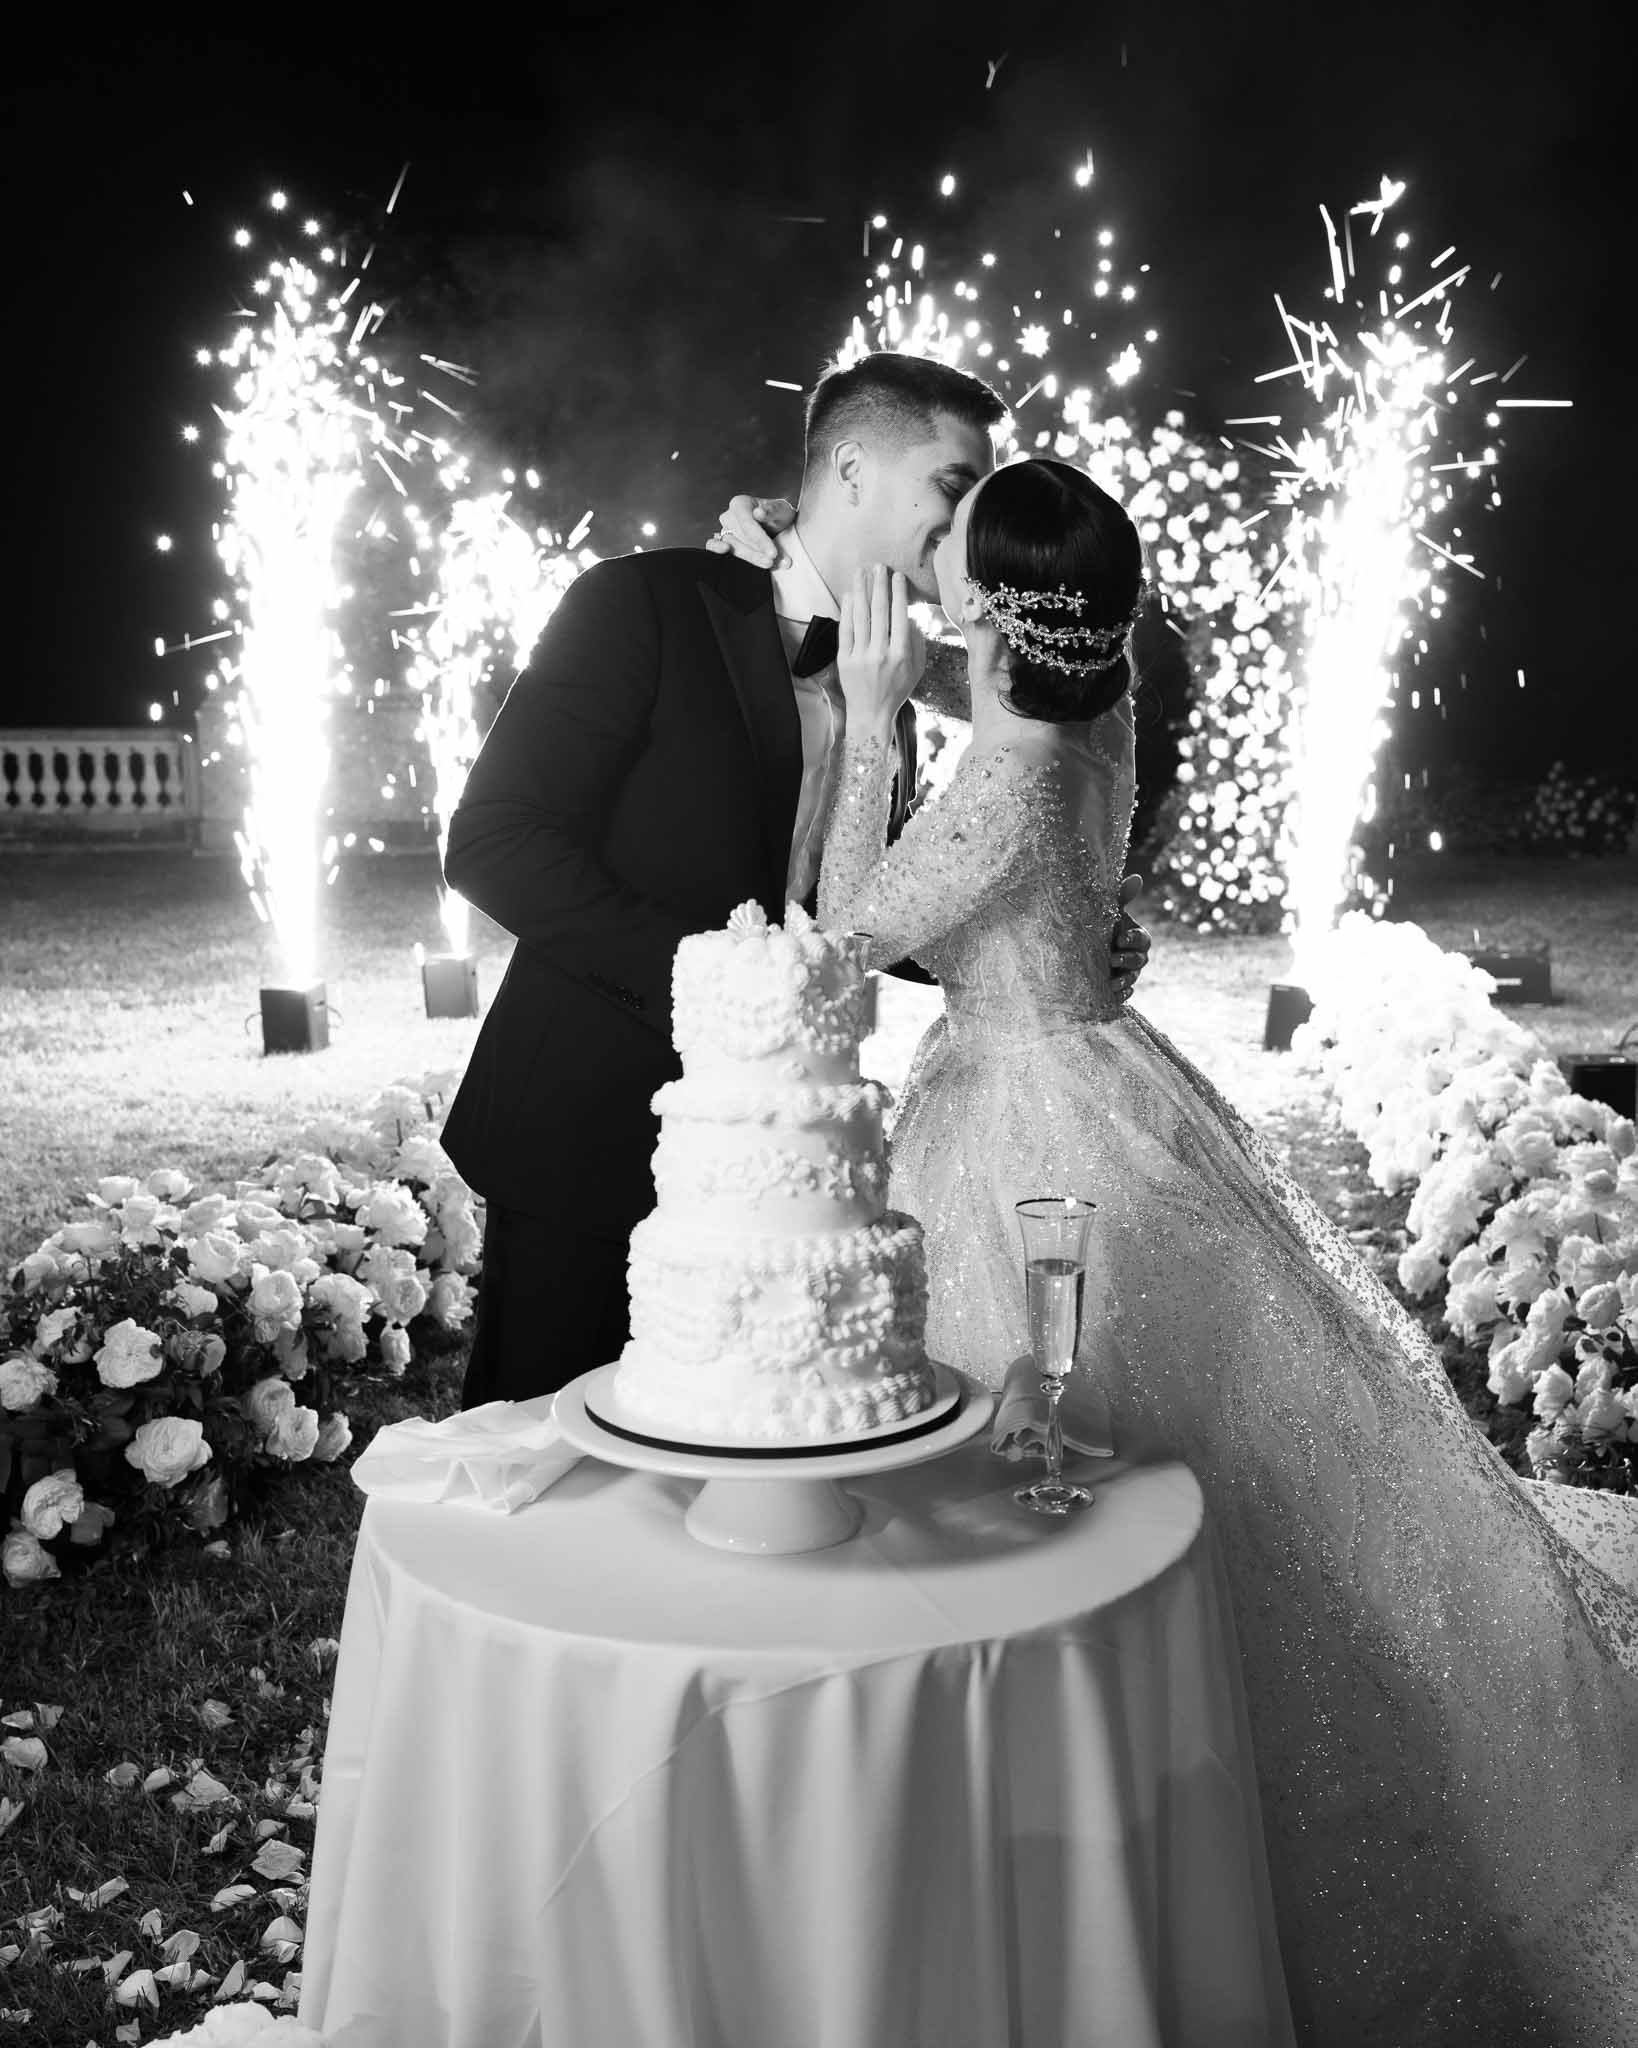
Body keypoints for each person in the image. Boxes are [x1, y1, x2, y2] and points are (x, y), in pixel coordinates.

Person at [726, 455, 1638, 2045]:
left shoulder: (1001, 782)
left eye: (944, 547)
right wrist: (885, 636)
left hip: (1018, 1140)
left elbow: (845, 928)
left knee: (1032, 1481)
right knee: (1186, 1469)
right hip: (1118, 1088)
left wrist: (870, 714)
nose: (923, 562)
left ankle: (1064, 1823)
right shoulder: (1101, 708)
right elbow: (1005, 667)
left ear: (992, 602)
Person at [438, 353, 1154, 1407]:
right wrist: (717, 984)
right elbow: (493, 838)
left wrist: (1044, 926)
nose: (966, 533)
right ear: (854, 467)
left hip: (791, 1168)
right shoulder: (646, 602)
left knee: (749, 1470)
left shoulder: (894, 687)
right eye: (954, 490)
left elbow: (855, 905)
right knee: (550, 1454)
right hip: (591, 1118)